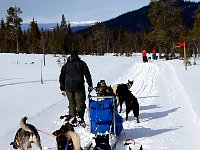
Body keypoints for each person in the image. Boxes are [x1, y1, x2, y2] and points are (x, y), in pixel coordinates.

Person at [59, 50, 93, 126]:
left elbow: (61, 77)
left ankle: (72, 119)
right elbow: (87, 75)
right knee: (80, 102)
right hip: (79, 86)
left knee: (71, 102)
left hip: (68, 87)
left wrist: (62, 88)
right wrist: (90, 85)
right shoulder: (82, 63)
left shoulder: (65, 65)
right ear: (77, 55)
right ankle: (80, 117)